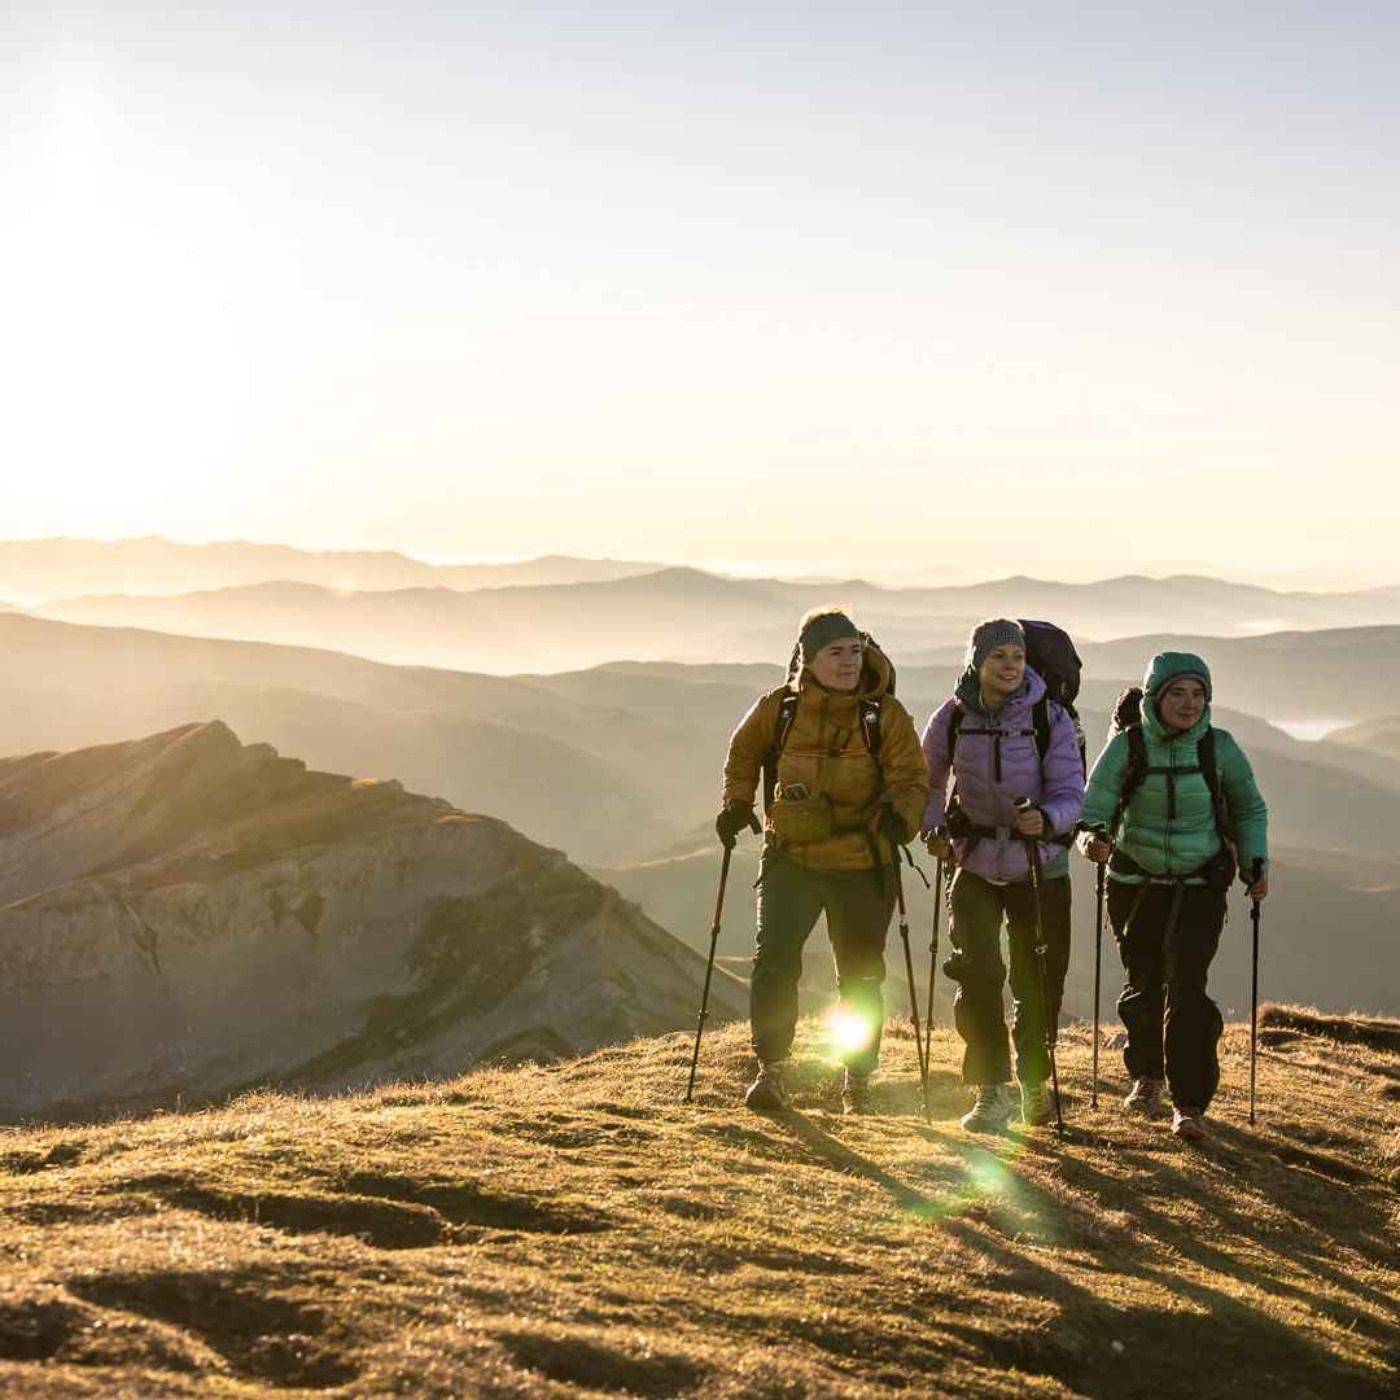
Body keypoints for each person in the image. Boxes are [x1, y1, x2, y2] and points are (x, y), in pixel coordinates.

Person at [716, 607, 930, 1115]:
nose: (849, 661)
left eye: (855, 650)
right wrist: (736, 805)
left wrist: (902, 819)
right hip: (791, 858)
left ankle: (857, 1080)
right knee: (775, 963)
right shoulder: (780, 708)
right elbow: (743, 752)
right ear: (808, 659)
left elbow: (911, 777)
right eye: (836, 652)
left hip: (863, 863)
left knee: (860, 976)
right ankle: (773, 1071)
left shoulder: (883, 715)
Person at [1078, 651, 1268, 1141]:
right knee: (1143, 983)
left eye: (1198, 693)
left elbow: (1249, 808)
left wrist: (1255, 863)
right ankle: (1147, 1075)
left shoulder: (1219, 748)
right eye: (1178, 693)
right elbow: (1095, 804)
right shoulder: (1126, 747)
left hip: (1199, 885)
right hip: (1134, 885)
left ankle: (1189, 1104)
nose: (1189, 703)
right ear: (1155, 697)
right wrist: (1092, 838)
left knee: (1187, 988)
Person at [919, 619, 1084, 1132]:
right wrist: (932, 827)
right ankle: (992, 1091)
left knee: (1036, 980)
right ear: (977, 662)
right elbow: (928, 780)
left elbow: (1072, 794)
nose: (1010, 666)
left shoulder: (1048, 717)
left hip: (1039, 864)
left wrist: (1047, 819)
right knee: (977, 976)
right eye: (998, 657)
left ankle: (1033, 1083)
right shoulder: (952, 716)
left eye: (1017, 656)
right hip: (973, 861)